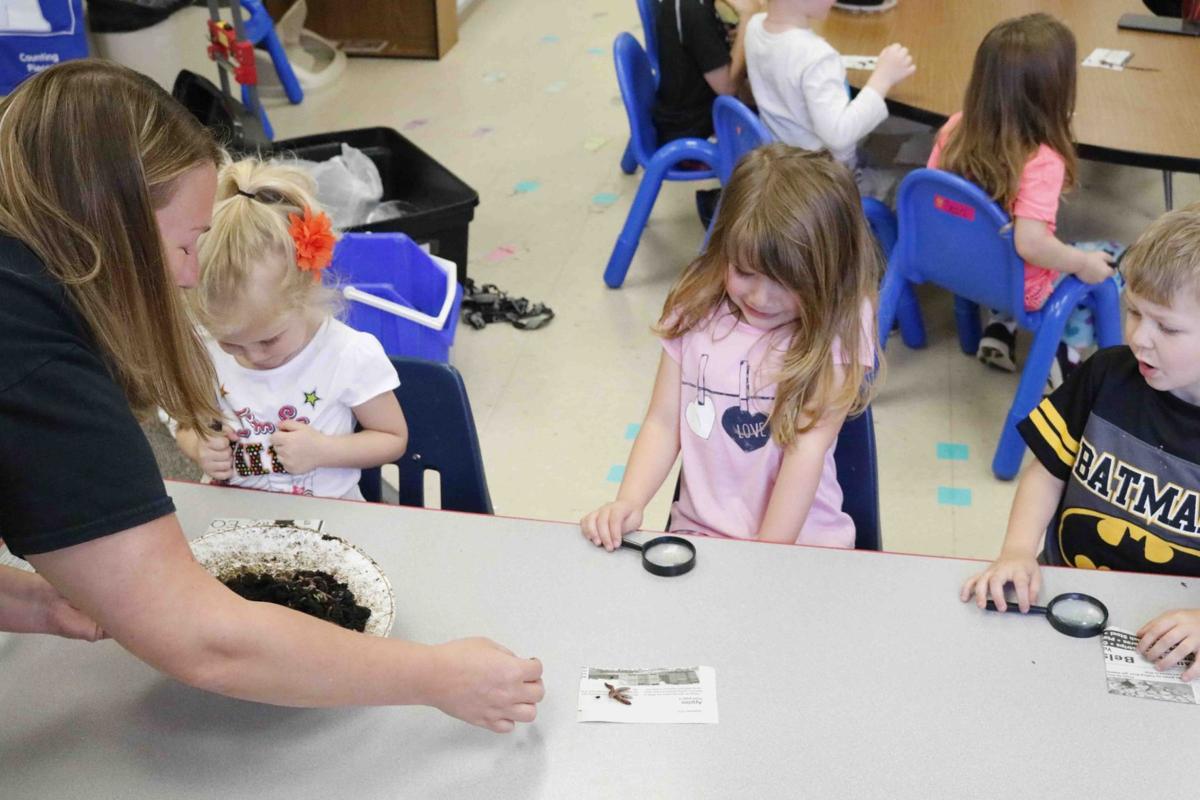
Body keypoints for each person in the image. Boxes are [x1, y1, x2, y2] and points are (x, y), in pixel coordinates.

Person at [0, 60, 542, 732]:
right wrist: (439, 675)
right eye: (186, 245)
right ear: (112, 221)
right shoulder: (33, 357)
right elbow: (207, 642)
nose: (189, 277)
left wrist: (41, 604)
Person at [581, 144, 878, 549]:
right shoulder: (694, 305)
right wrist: (629, 501)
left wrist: (764, 554)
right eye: (744, 271)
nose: (760, 297)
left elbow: (806, 451)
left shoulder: (842, 320)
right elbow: (663, 423)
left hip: (802, 547)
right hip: (700, 536)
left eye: (788, 283)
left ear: (830, 275)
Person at [960, 203, 1200, 681]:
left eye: (1167, 327)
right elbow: (1047, 472)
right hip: (1064, 595)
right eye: (1133, 311)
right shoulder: (1106, 374)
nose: (1139, 338)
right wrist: (1017, 551)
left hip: (1170, 634)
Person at [173, 158, 407, 499]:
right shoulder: (204, 349)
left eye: (269, 340)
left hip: (331, 514)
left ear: (307, 292)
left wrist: (323, 451)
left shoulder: (348, 354)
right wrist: (199, 447)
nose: (253, 356)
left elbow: (393, 438)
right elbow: (185, 425)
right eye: (232, 344)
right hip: (236, 513)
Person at [927, 13, 1117, 389]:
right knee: (1108, 260)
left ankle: (999, 328)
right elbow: (1030, 244)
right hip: (1014, 283)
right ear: (1056, 93)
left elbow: (937, 199)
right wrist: (1082, 262)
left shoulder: (955, 128)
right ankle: (1066, 353)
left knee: (1005, 238)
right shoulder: (1042, 160)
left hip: (957, 266)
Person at [742, 0, 915, 189]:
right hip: (822, 181)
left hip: (783, 162)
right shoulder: (816, 56)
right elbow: (839, 135)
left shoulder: (754, 26)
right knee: (900, 182)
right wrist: (883, 79)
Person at [652, 0, 763, 145]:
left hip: (704, 110)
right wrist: (747, 19)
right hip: (696, 132)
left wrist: (734, 38)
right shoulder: (693, 11)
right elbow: (727, 88)